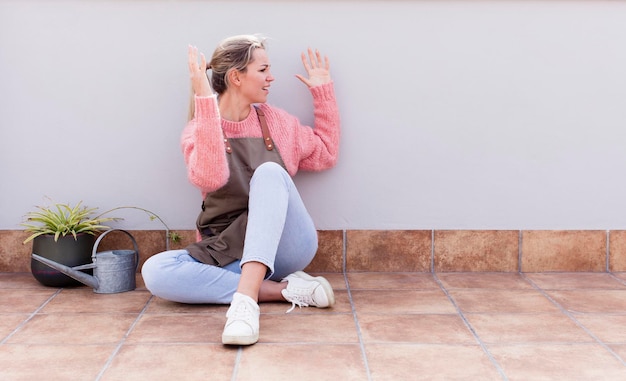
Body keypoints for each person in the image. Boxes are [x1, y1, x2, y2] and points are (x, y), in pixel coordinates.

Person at [142, 34, 341, 346]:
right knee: (155, 272)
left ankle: (245, 305)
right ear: (236, 77)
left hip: (285, 247)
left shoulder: (277, 123)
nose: (270, 77)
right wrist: (205, 102)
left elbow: (325, 152)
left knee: (270, 173)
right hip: (227, 248)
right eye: (263, 70)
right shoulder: (199, 129)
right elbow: (209, 178)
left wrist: (322, 92)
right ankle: (284, 290)